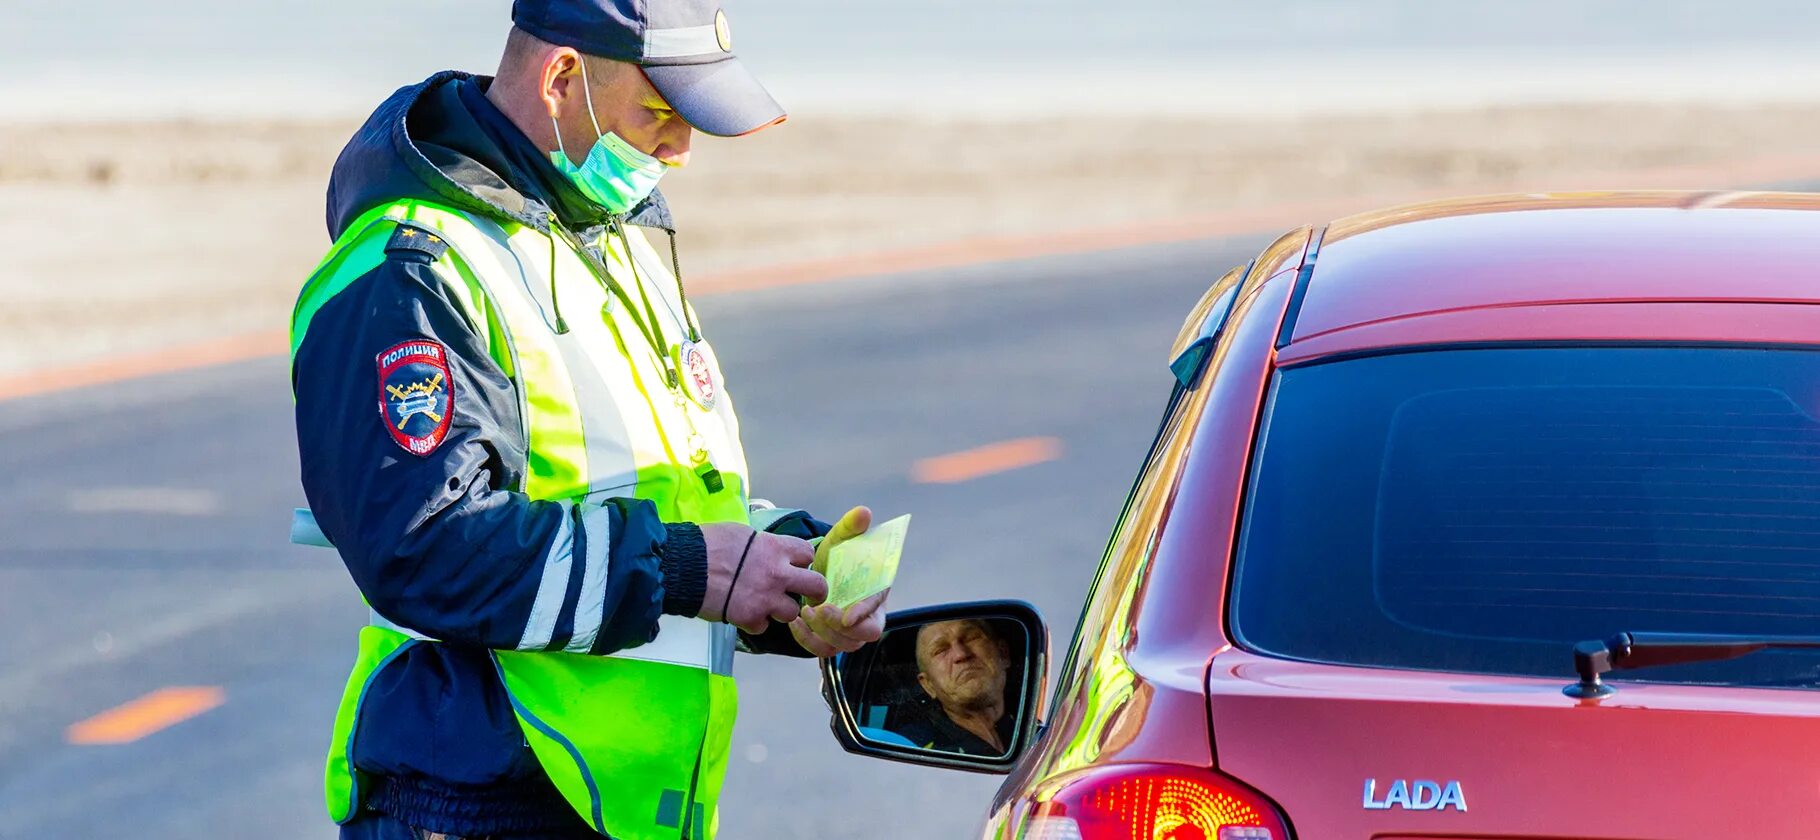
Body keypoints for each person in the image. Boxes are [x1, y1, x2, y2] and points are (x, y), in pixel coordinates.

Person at [289, 2, 889, 838]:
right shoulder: (413, 271)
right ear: (563, 77)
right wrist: (696, 571)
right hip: (473, 801)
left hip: (614, 807)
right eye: (661, 113)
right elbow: (427, 550)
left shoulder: (612, 240)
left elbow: (657, 493)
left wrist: (786, 570)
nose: (680, 150)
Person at [896, 619, 1014, 756]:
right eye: (941, 650)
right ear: (928, 685)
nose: (961, 654)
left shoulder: (1035, 731)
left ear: (1003, 654)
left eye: (971, 638)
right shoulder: (912, 747)